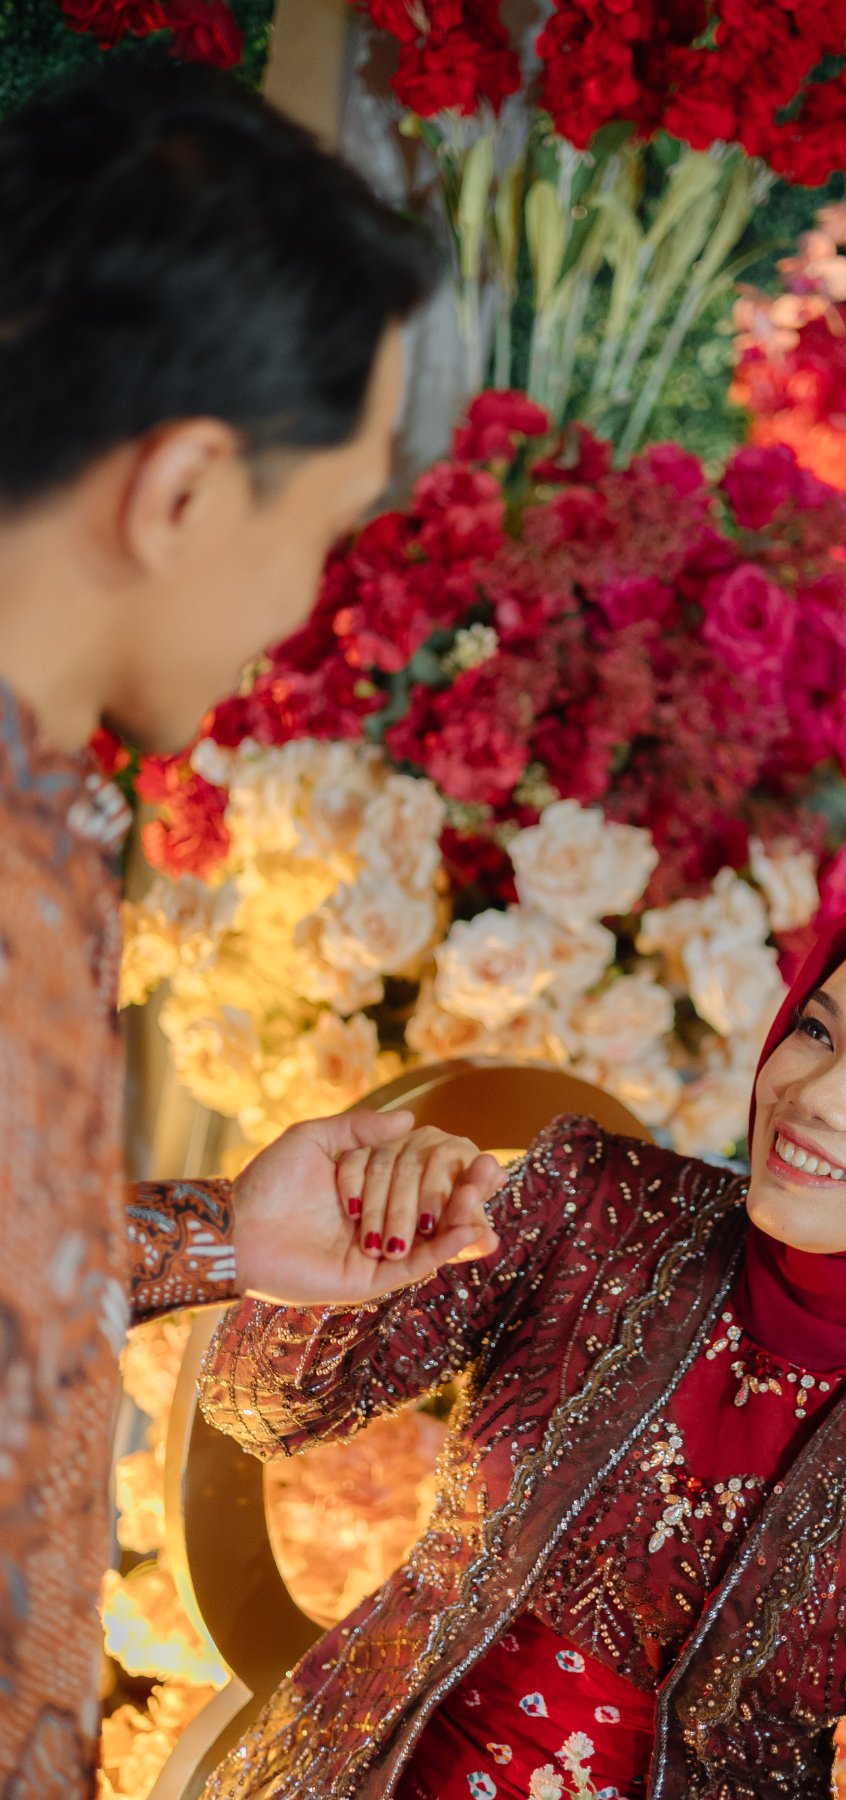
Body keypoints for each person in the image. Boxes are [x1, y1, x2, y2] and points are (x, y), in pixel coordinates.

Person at [0, 62, 502, 1798]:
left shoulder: (50, 828)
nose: (303, 605)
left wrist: (218, 1237)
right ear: (186, 491)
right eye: (326, 526)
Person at [199, 901, 846, 1800]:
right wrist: (342, 1244)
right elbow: (257, 1406)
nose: (812, 1096)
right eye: (815, 1031)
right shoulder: (597, 1206)